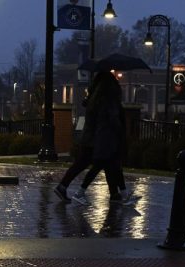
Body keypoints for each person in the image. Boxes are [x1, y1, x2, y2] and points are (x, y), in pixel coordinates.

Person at [55, 70, 134, 205]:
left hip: (90, 137)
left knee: (92, 164)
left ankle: (114, 193)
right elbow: (111, 119)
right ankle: (78, 190)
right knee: (104, 163)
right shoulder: (107, 100)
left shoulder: (94, 98)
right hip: (98, 139)